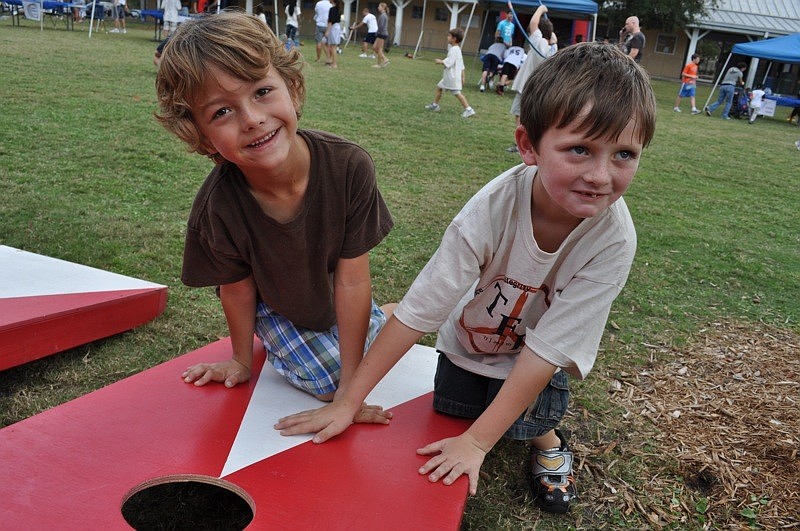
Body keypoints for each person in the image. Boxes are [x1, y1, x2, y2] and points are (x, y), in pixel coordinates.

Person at [275, 42, 657, 515]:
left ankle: (550, 446)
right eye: (579, 149)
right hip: (468, 341)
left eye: (624, 154)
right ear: (528, 146)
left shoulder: (614, 240)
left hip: (533, 353)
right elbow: (422, 309)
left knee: (528, 421)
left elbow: (546, 350)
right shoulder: (491, 208)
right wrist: (348, 400)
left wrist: (476, 444)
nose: (601, 175)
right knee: (453, 410)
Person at [155, 13, 395, 421]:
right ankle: (382, 319)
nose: (251, 118)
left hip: (334, 291)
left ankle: (382, 315)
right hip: (276, 306)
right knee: (327, 381)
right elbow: (236, 290)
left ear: (293, 87)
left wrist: (352, 394)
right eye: (221, 113)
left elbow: (353, 279)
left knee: (350, 376)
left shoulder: (349, 166)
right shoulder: (217, 207)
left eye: (262, 91)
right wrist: (240, 361)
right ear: (199, 134)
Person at [506, 4, 552, 152]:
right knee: (530, 115)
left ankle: (521, 145)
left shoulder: (539, 42)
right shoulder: (551, 46)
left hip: (526, 86)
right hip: (537, 87)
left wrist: (542, 9)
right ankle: (530, 143)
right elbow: (550, 35)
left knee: (520, 115)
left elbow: (533, 23)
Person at [424, 28, 475, 118]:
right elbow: (461, 64)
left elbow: (450, 62)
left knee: (457, 93)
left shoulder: (454, 50)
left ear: (454, 39)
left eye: (449, 36)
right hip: (450, 77)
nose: (447, 37)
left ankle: (469, 109)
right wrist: (463, 76)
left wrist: (440, 61)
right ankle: (435, 105)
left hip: (452, 77)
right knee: (439, 87)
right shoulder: (457, 49)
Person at [324, 0, 343, 68]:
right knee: (332, 46)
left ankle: (334, 64)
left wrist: (327, 31)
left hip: (333, 28)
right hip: (337, 27)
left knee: (333, 47)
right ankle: (330, 61)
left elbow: (330, 21)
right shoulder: (338, 9)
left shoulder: (332, 9)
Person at [372, 2, 390, 68]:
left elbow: (381, 27)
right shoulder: (383, 15)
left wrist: (378, 33)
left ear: (383, 7)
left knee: (379, 49)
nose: (378, 7)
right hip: (380, 33)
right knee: (374, 47)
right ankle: (385, 59)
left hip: (382, 34)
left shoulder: (383, 15)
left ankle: (379, 64)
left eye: (379, 6)